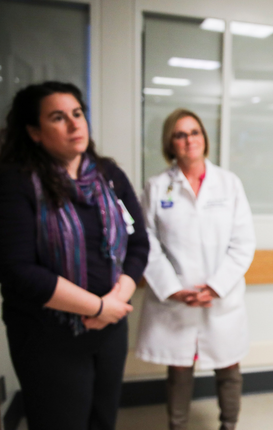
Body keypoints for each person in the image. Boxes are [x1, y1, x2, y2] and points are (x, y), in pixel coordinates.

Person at [0, 81, 149, 429]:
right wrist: (96, 307)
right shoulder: (17, 183)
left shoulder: (109, 176)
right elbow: (17, 270)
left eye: (77, 114)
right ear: (35, 132)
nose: (74, 124)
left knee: (102, 421)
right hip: (47, 335)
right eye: (58, 117)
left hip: (110, 328)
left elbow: (138, 242)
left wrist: (114, 302)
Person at [136, 108, 256, 430]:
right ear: (169, 143)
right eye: (180, 134)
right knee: (178, 370)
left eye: (195, 133)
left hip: (220, 296)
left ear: (204, 139)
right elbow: (146, 243)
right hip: (178, 298)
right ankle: (178, 427)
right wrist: (173, 289)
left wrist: (215, 286)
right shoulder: (157, 186)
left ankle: (228, 425)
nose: (189, 140)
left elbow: (243, 243)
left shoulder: (228, 184)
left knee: (228, 367)